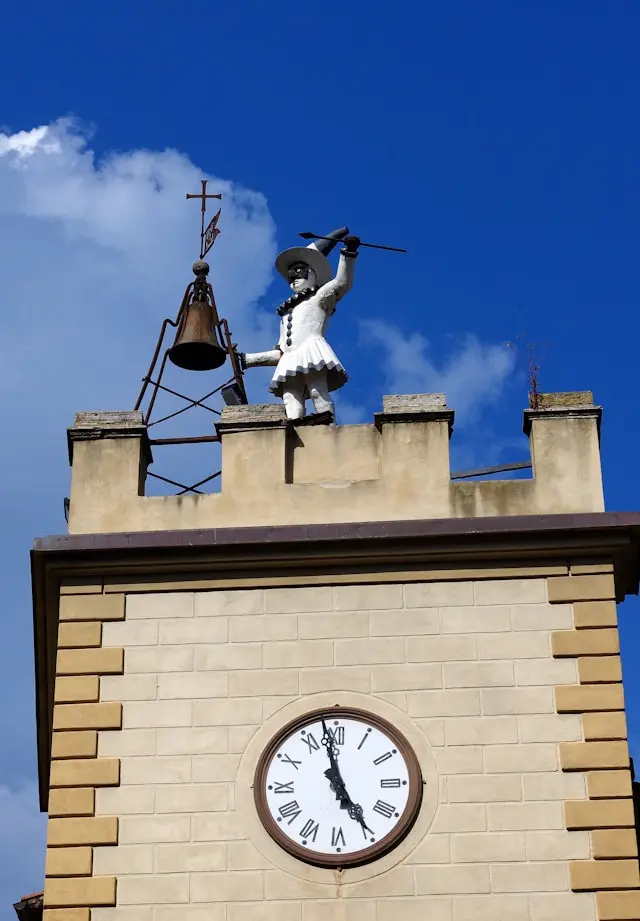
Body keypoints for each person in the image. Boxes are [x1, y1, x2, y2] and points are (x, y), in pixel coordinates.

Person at [239, 227, 360, 421]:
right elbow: (282, 351)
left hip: (311, 350)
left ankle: (325, 421)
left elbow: (342, 282)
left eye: (299, 271)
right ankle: (294, 430)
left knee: (316, 390)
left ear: (312, 273)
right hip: (291, 358)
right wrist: (247, 359)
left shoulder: (320, 297)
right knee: (290, 396)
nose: (293, 276)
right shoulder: (287, 313)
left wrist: (349, 254)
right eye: (291, 274)